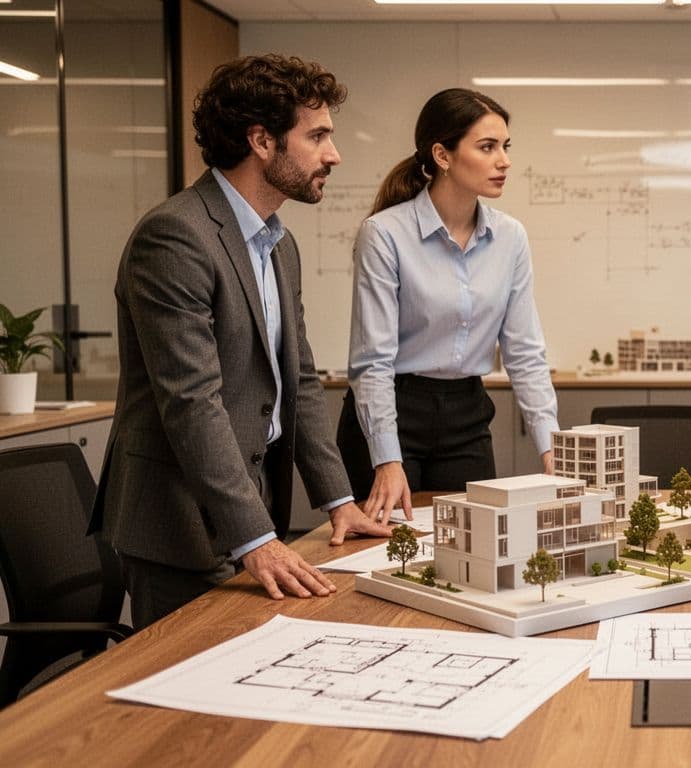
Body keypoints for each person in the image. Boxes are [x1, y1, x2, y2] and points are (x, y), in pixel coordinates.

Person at [90, 55, 391, 629]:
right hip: (179, 526)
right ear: (261, 140)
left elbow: (299, 381)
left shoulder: (279, 244)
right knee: (184, 704)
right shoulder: (176, 236)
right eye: (318, 135)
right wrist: (254, 538)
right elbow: (192, 403)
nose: (334, 153)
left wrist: (339, 502)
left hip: (250, 512)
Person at [337, 88, 559, 523]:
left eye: (505, 147)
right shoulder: (384, 234)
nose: (504, 160)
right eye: (487, 147)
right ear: (442, 154)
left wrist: (551, 447)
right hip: (394, 410)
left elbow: (525, 353)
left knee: (474, 547)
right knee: (387, 556)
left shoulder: (510, 238)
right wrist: (385, 458)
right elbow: (372, 362)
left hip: (466, 417)